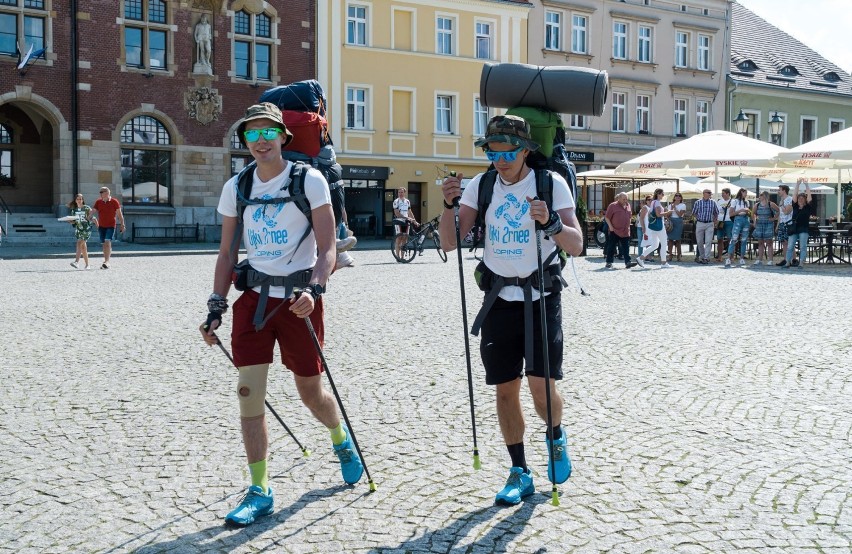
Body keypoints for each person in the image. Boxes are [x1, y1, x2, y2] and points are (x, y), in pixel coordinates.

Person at [200, 103, 363, 527]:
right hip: (253, 302)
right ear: (245, 142)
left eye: (268, 132)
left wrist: (316, 288)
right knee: (248, 394)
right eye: (252, 135)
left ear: (283, 136)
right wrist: (216, 305)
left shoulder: (309, 180)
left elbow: (328, 248)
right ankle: (260, 489)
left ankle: (339, 439)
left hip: (298, 301)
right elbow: (226, 253)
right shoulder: (236, 186)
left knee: (310, 393)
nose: (261, 141)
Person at [437, 114, 582, 505]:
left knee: (541, 388)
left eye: (508, 152)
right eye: (493, 152)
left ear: (526, 151)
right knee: (505, 391)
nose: (500, 160)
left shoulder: (552, 184)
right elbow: (450, 242)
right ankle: (519, 471)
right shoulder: (480, 187)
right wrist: (449, 204)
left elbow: (577, 244)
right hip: (499, 299)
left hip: (541, 297)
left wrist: (551, 222)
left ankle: (555, 435)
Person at [635, 189, 672, 269]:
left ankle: (641, 258)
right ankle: (663, 262)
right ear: (658, 194)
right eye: (662, 194)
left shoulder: (653, 202)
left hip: (653, 226)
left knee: (655, 245)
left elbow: (651, 214)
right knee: (663, 243)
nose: (663, 195)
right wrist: (668, 212)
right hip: (659, 226)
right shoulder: (657, 202)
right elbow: (658, 215)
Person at [90, 186, 125, 269]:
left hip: (111, 225)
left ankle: (107, 261)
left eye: (101, 192)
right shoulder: (98, 202)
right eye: (100, 192)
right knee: (104, 243)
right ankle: (106, 260)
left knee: (107, 241)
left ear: (107, 193)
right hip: (101, 225)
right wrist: (89, 216)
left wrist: (122, 224)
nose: (100, 194)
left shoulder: (114, 201)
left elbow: (119, 214)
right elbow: (93, 211)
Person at [782, 179, 813, 269]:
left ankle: (801, 263)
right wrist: (797, 184)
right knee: (790, 246)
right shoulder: (795, 206)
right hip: (794, 228)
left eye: (802, 198)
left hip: (804, 228)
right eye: (799, 198)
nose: (800, 199)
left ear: (805, 200)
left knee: (803, 246)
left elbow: (810, 197)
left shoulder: (808, 207)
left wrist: (806, 185)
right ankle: (788, 262)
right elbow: (794, 194)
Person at [603, 192, 636, 269]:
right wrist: (611, 227)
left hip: (625, 230)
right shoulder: (613, 206)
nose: (625, 201)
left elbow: (630, 216)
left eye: (626, 199)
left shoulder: (628, 206)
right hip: (615, 230)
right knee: (611, 247)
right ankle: (609, 262)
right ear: (619, 198)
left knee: (626, 247)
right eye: (624, 199)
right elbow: (607, 217)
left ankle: (628, 262)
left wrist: (629, 223)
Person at [724, 188, 752, 268]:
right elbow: (731, 214)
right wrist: (741, 210)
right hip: (738, 219)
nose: (746, 195)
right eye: (745, 193)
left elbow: (749, 213)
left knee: (744, 240)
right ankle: (729, 258)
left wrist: (748, 212)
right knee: (734, 239)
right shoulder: (734, 201)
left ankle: (742, 258)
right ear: (741, 192)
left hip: (746, 220)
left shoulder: (747, 202)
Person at [67, 194, 96, 269]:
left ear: (83, 200)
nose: (79, 200)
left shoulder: (87, 208)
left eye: (80, 199)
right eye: (78, 199)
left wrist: (95, 222)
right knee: (83, 248)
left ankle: (76, 262)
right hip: (78, 230)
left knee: (79, 243)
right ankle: (87, 265)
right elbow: (74, 222)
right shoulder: (74, 210)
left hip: (86, 229)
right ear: (75, 200)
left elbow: (91, 217)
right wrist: (70, 221)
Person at [691, 189, 719, 264]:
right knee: (699, 241)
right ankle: (702, 257)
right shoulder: (698, 202)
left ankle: (707, 258)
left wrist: (715, 219)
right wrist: (698, 218)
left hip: (709, 223)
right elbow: (694, 213)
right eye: (709, 193)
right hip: (700, 223)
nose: (710, 194)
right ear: (704, 194)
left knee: (708, 241)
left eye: (710, 193)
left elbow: (716, 212)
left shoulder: (713, 202)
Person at [751, 191, 778, 266]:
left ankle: (770, 260)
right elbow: (752, 213)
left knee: (769, 242)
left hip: (768, 224)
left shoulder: (771, 204)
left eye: (761, 195)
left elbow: (779, 211)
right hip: (759, 224)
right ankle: (760, 259)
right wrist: (754, 221)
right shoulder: (757, 205)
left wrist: (774, 218)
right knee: (760, 242)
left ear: (765, 196)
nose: (759, 196)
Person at [392, 187, 417, 259]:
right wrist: (407, 218)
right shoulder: (396, 201)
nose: (400, 194)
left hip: (406, 221)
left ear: (404, 193)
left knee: (405, 238)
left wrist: (414, 220)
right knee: (399, 238)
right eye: (399, 192)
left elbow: (410, 212)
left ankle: (402, 257)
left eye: (401, 192)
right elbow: (397, 213)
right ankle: (398, 256)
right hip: (399, 221)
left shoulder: (407, 201)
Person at [774, 185, 794, 266]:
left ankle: (793, 260)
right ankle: (786, 260)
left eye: (779, 190)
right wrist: (777, 225)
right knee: (784, 243)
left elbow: (787, 212)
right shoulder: (782, 200)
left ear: (784, 190)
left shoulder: (790, 199)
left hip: (788, 224)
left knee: (790, 243)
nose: (778, 191)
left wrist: (782, 205)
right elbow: (781, 214)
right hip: (782, 224)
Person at [714, 188, 733, 262]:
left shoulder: (733, 201)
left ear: (728, 193)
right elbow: (716, 211)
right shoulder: (719, 201)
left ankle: (731, 256)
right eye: (722, 193)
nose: (722, 194)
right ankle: (720, 257)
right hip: (720, 221)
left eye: (723, 193)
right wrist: (715, 220)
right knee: (719, 239)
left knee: (730, 239)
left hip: (729, 221)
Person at [666, 193, 686, 262]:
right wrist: (671, 208)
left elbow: (680, 215)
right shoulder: (670, 205)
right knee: (670, 240)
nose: (677, 197)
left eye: (679, 196)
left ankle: (679, 256)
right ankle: (670, 255)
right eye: (676, 196)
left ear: (681, 198)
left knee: (678, 240)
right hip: (671, 222)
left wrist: (675, 208)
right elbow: (668, 215)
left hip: (678, 222)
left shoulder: (683, 205)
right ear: (674, 197)